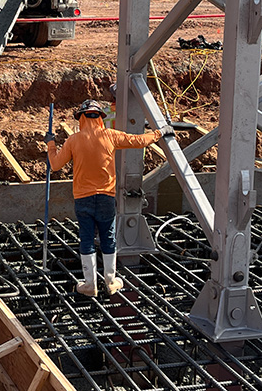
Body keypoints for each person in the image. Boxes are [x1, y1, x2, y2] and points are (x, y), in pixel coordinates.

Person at [44, 99, 173, 296]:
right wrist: (160, 132)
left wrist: (51, 144)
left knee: (86, 238)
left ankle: (90, 284)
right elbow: (139, 141)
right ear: (99, 118)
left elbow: (54, 165)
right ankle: (111, 281)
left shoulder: (73, 140)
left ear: (81, 118)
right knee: (108, 237)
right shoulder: (110, 136)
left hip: (83, 198)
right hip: (106, 197)